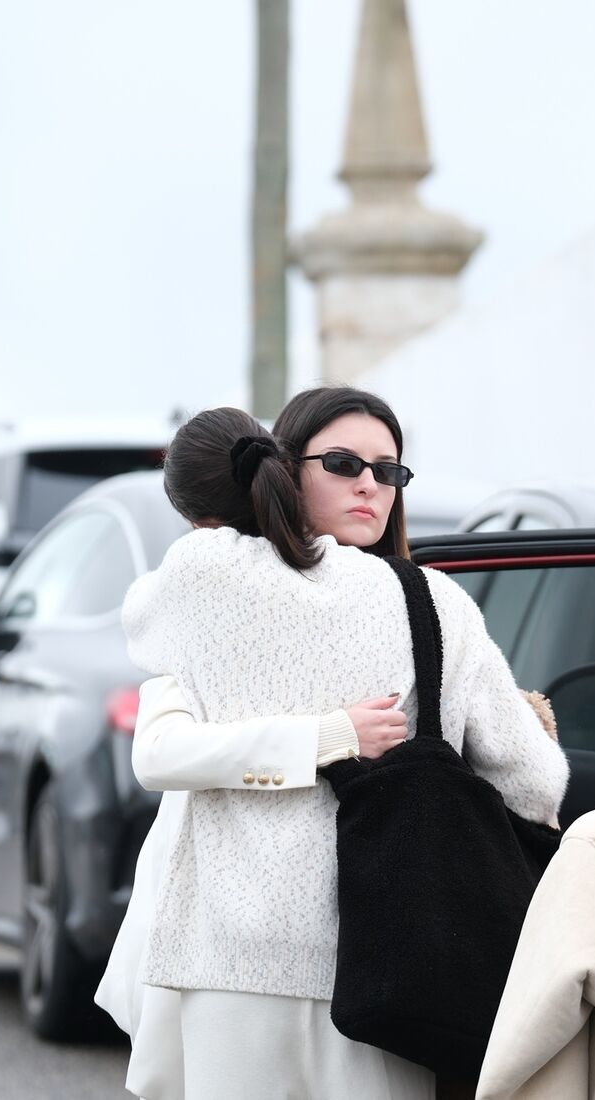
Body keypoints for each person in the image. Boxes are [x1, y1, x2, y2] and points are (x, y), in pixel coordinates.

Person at [110, 400, 568, 1100]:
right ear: (284, 470)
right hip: (393, 951)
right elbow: (534, 784)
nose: (369, 484)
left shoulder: (199, 575)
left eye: (387, 470)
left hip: (226, 952)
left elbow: (156, 711)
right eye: (346, 465)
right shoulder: (435, 602)